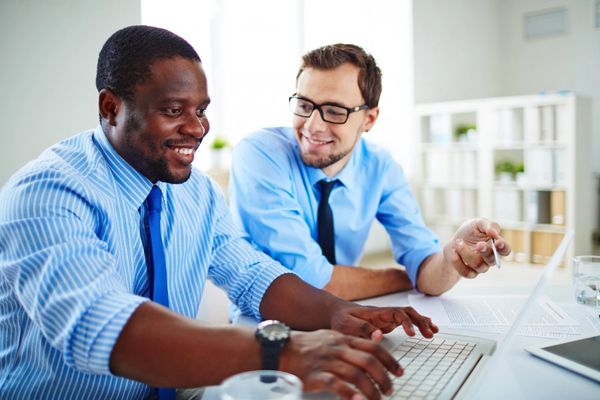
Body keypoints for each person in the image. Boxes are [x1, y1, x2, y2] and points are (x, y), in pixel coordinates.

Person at [0, 26, 440, 400]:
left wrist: (337, 313)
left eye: (201, 110)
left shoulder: (195, 190)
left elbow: (251, 274)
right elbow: (98, 326)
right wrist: (282, 352)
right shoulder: (48, 193)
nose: (197, 128)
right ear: (110, 107)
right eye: (174, 111)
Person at [229, 43, 511, 301]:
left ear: (369, 119)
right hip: (265, 328)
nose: (313, 125)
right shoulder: (260, 155)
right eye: (304, 105)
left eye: (334, 110)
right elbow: (312, 281)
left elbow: (428, 269)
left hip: (342, 318)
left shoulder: (380, 166)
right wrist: (407, 277)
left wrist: (450, 257)